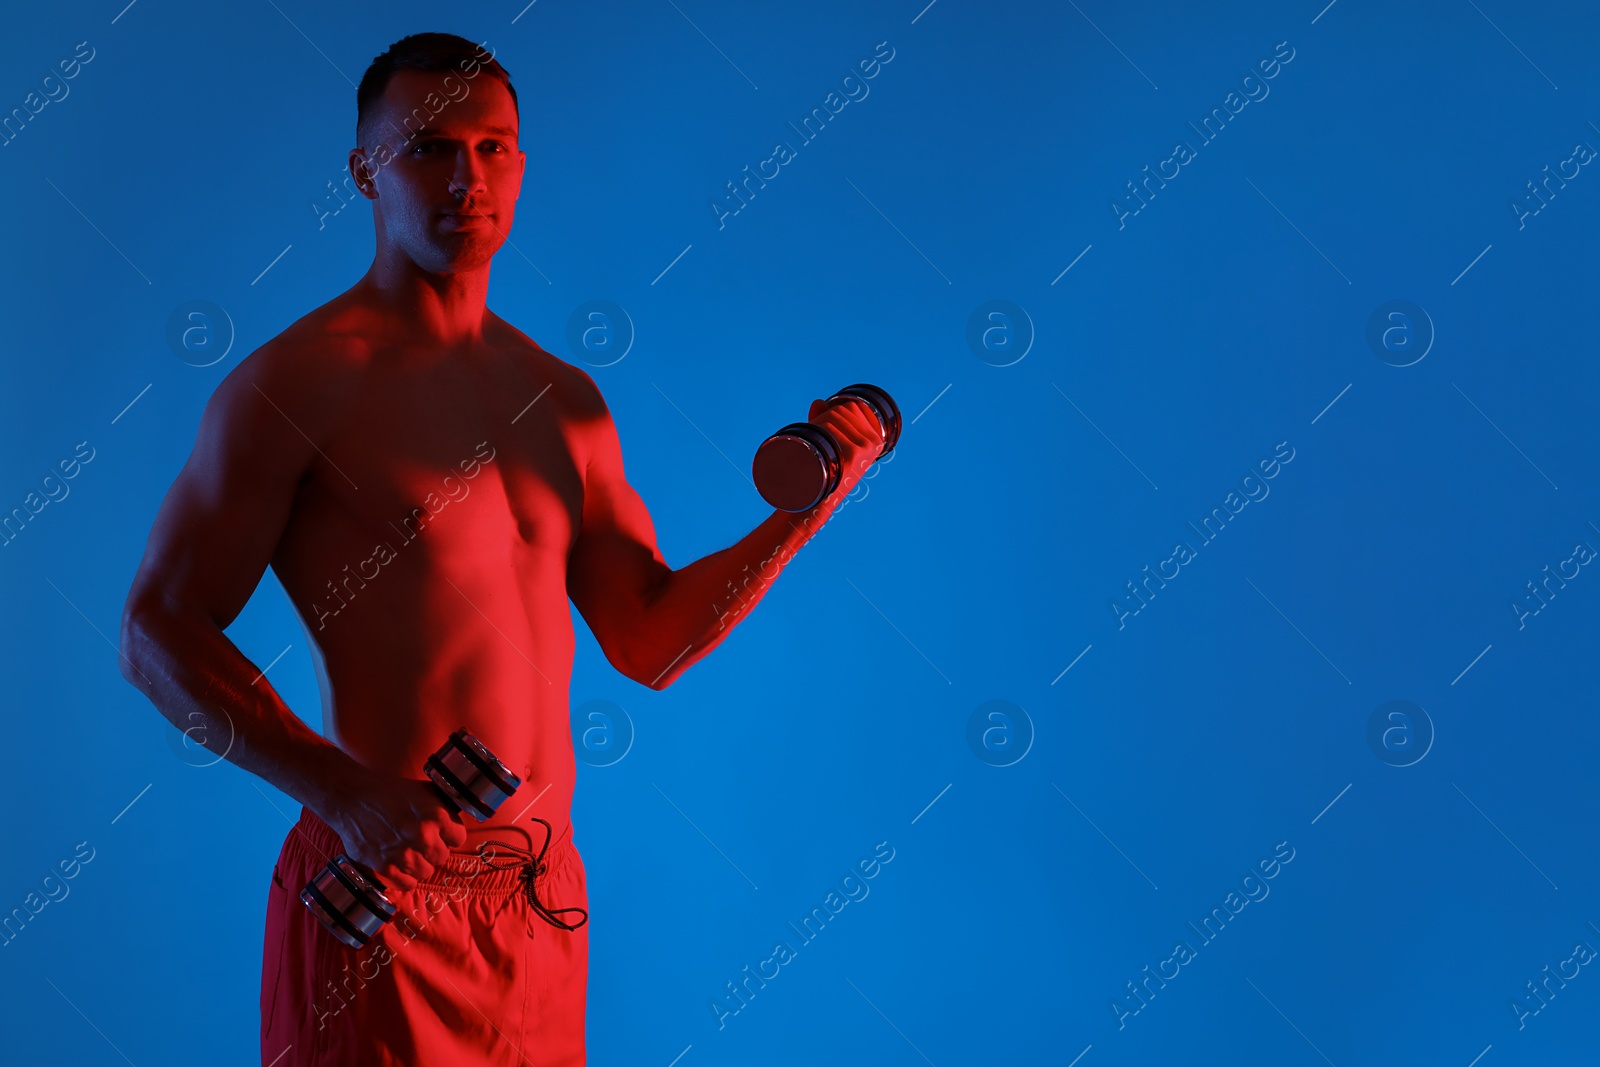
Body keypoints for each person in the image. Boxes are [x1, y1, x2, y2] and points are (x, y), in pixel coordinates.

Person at [116, 32, 885, 1067]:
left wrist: (801, 510)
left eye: (494, 148)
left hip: (538, 900)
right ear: (365, 171)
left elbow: (648, 638)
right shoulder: (295, 387)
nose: (467, 179)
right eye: (430, 148)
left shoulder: (562, 400)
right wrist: (341, 791)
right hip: (379, 900)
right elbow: (154, 630)